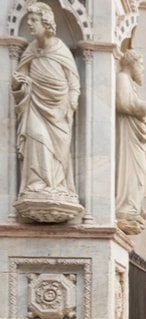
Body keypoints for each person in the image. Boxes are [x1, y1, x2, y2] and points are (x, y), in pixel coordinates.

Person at [12, 3, 81, 208]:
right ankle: (36, 185)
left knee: (58, 150)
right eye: (28, 21)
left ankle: (58, 186)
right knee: (36, 138)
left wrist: (73, 99)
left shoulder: (61, 49)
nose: (30, 25)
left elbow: (73, 80)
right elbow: (20, 77)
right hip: (35, 104)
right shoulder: (31, 50)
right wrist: (19, 84)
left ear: (46, 22)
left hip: (60, 108)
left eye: (34, 20)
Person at [115, 49, 146, 234]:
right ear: (131, 62)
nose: (142, 68)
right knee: (132, 172)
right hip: (127, 138)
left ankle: (131, 206)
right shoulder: (122, 78)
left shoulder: (128, 82)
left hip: (134, 136)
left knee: (139, 175)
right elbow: (124, 103)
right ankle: (126, 206)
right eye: (140, 64)